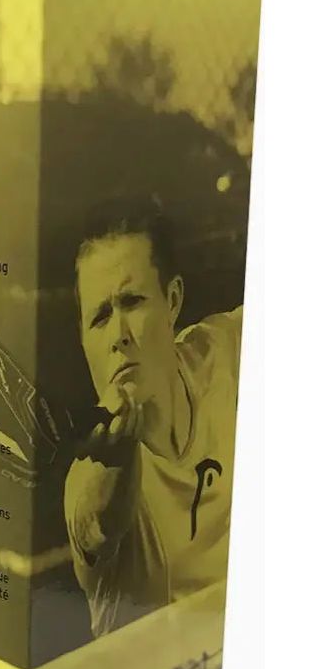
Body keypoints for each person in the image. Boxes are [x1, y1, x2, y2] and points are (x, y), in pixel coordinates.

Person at [65, 201, 243, 639]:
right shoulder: (91, 478)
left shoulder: (219, 352)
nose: (118, 335)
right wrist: (118, 461)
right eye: (100, 318)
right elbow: (98, 520)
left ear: (173, 301)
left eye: (132, 302)